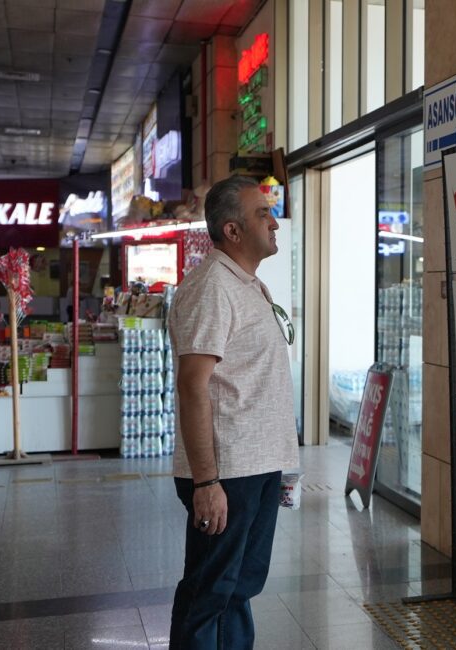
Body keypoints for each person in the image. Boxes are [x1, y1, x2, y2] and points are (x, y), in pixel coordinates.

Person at [167, 175, 299, 649]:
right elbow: (192, 385)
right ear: (233, 231)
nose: (274, 220)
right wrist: (206, 483)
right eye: (262, 213)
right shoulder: (211, 289)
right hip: (227, 473)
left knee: (240, 587)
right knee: (211, 591)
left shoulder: (247, 284)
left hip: (256, 467)